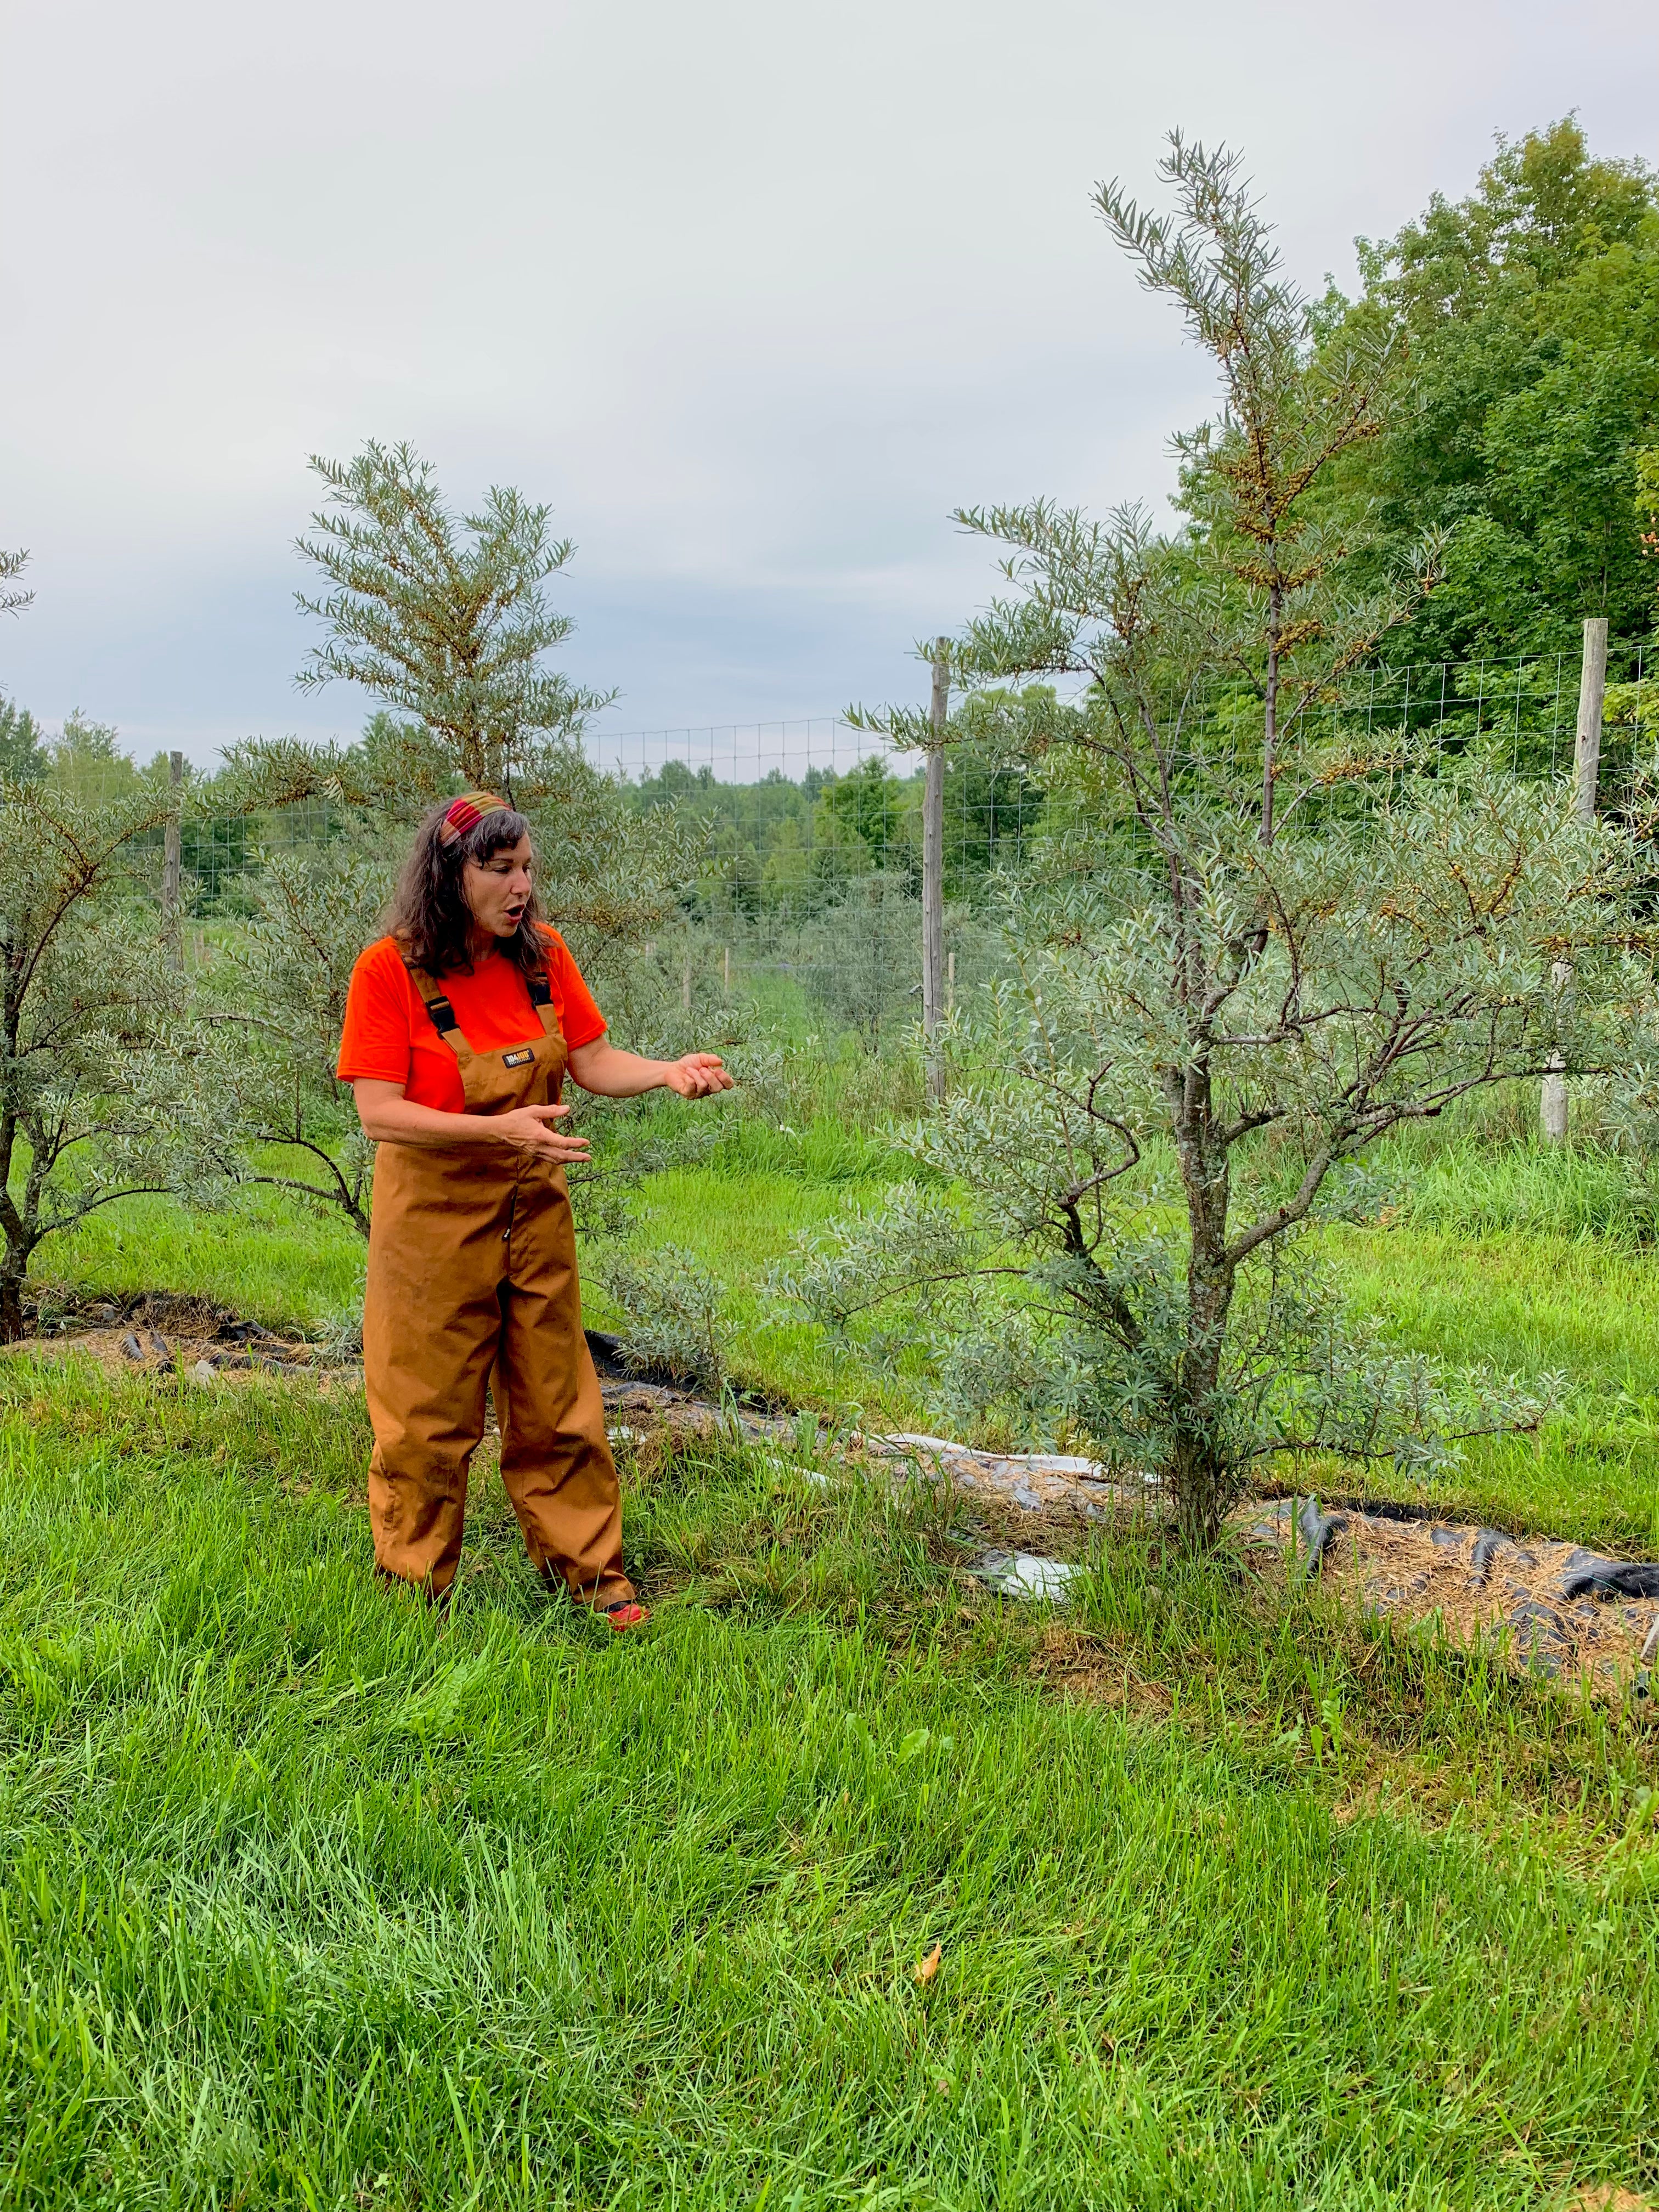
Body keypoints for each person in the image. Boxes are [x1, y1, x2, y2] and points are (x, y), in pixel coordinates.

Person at [336, 790, 732, 1628]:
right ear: (451, 875)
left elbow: (590, 1058)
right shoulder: (388, 969)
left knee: (558, 1401)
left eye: (527, 870)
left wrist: (664, 1070)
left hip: (534, 1219)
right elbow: (378, 1113)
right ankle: (415, 1592)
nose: (521, 888)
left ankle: (591, 1578)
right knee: (424, 1415)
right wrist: (497, 1130)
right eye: (500, 869)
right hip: (431, 1233)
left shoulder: (543, 955)